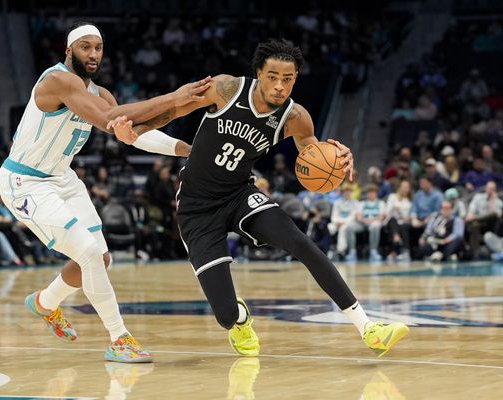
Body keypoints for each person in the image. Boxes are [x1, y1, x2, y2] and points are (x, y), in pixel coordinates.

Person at [54, 38, 410, 357]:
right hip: (196, 207)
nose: (280, 85)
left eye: (288, 79)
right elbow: (173, 111)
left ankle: (368, 328)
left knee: (301, 243)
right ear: (259, 73)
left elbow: (311, 154)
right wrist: (136, 130)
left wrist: (336, 155)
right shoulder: (226, 88)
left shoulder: (295, 116)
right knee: (225, 315)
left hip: (240, 194)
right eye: (273, 76)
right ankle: (239, 318)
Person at [0, 22, 211, 363]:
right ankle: (119, 339)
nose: (93, 54)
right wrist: (173, 96)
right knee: (88, 253)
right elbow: (109, 118)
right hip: (26, 181)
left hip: (61, 178)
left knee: (101, 257)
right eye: (85, 47)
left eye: (98, 47)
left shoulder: (101, 94)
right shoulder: (57, 80)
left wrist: (189, 149)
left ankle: (45, 303)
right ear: (69, 51)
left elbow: (135, 133)